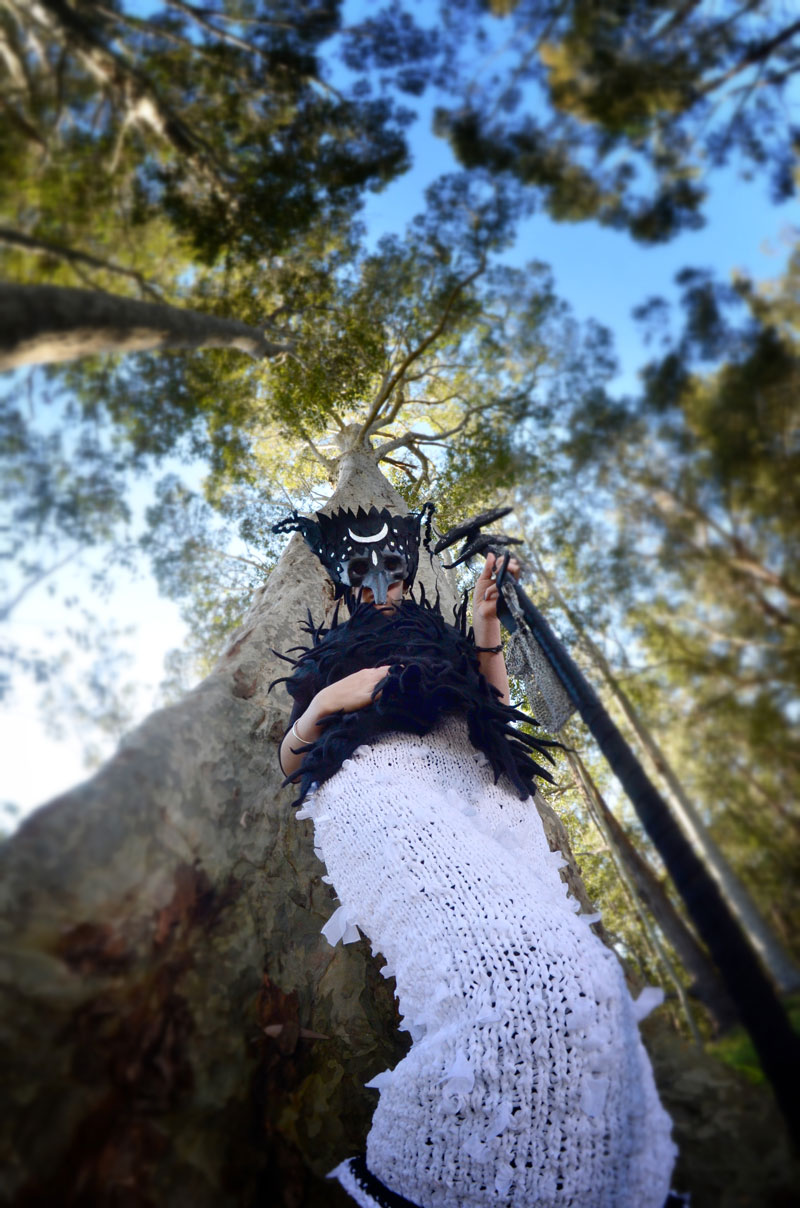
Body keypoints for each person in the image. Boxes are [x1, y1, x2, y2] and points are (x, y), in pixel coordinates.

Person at [272, 505, 677, 1208]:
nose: (378, 582)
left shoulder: (441, 634)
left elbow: (492, 705)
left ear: (409, 568)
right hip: (380, 782)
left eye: (392, 567)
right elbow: (290, 761)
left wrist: (486, 624)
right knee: (511, 989)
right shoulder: (327, 654)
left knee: (590, 980)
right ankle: (432, 1177)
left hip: (479, 789)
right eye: (359, 570)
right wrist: (330, 699)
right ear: (339, 578)